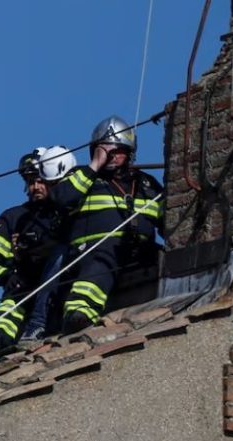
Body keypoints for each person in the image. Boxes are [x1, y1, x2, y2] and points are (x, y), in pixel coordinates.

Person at [49, 115, 165, 334]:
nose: (112, 156)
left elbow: (169, 220)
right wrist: (94, 166)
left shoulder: (146, 184)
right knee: (104, 254)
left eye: (117, 150)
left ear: (129, 152)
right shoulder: (83, 177)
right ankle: (79, 312)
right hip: (91, 253)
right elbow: (60, 198)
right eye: (105, 150)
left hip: (137, 253)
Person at [0, 147, 74, 362]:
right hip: (22, 288)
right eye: (30, 181)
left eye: (40, 180)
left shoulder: (67, 210)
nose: (35, 187)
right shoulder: (14, 217)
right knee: (7, 312)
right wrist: (7, 277)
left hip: (60, 285)